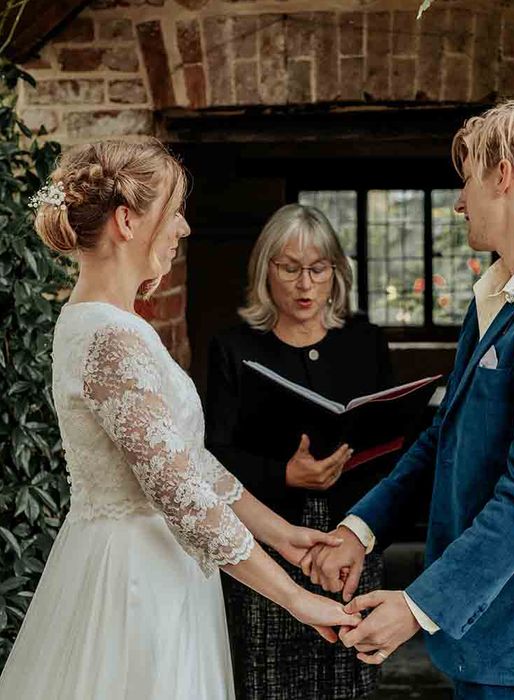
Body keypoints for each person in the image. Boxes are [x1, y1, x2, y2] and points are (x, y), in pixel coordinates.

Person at [0, 140, 359, 699]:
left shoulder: (110, 325)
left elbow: (189, 461)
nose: (184, 229)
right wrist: (295, 598)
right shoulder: (110, 337)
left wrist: (282, 535)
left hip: (161, 567)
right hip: (135, 583)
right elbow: (178, 492)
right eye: (173, 214)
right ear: (126, 222)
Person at [302, 100, 514, 700]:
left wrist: (418, 604)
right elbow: (444, 438)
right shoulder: (498, 295)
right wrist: (361, 529)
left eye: (467, 178)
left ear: (502, 175)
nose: (458, 201)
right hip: (477, 637)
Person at [205, 203, 393, 699]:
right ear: (265, 270)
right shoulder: (233, 347)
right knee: (268, 674)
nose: (305, 284)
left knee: (349, 667)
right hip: (266, 538)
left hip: (349, 534)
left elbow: (396, 444)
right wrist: (284, 475)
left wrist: (363, 527)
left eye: (317, 269)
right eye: (289, 268)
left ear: (337, 272)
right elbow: (212, 456)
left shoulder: (365, 341)